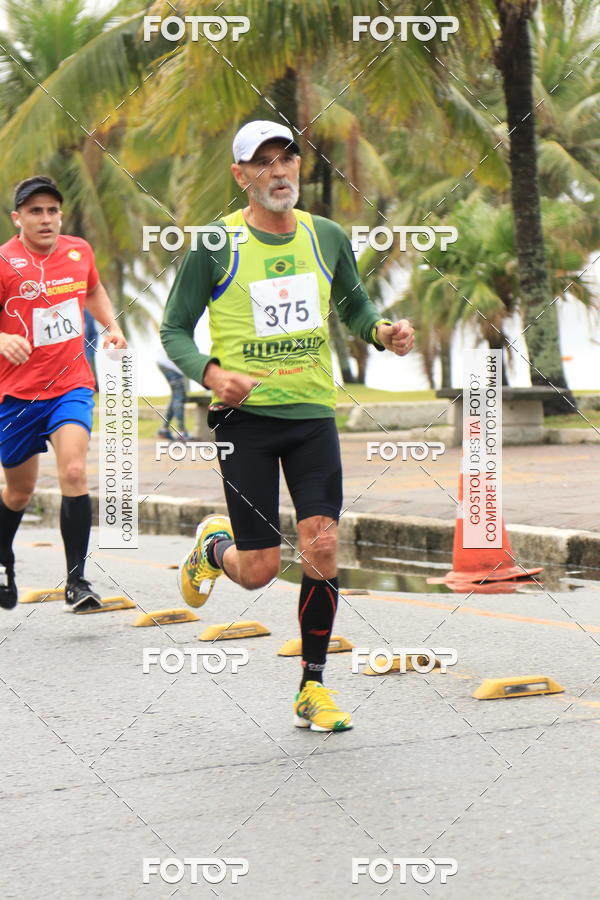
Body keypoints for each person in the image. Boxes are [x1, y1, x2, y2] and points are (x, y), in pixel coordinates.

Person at [160, 121, 414, 731]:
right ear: (240, 175)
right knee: (259, 571)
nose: (279, 172)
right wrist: (211, 373)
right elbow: (173, 329)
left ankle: (312, 686)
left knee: (323, 545)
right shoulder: (216, 244)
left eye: (287, 159)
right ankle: (211, 548)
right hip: (243, 420)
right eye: (263, 163)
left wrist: (381, 332)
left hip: (310, 415)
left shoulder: (324, 236)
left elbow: (354, 304)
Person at [0, 175, 127, 612]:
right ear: (17, 219)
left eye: (52, 210)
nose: (46, 218)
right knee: (19, 491)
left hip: (71, 384)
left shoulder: (79, 252)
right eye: (35, 211)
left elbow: (91, 289)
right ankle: (2, 559)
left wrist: (111, 326)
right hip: (14, 396)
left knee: (74, 469)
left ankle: (78, 581)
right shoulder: (3, 262)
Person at [156, 346, 191, 440]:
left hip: (165, 361)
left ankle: (164, 430)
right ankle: (181, 432)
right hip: (170, 364)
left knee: (176, 396)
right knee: (179, 396)